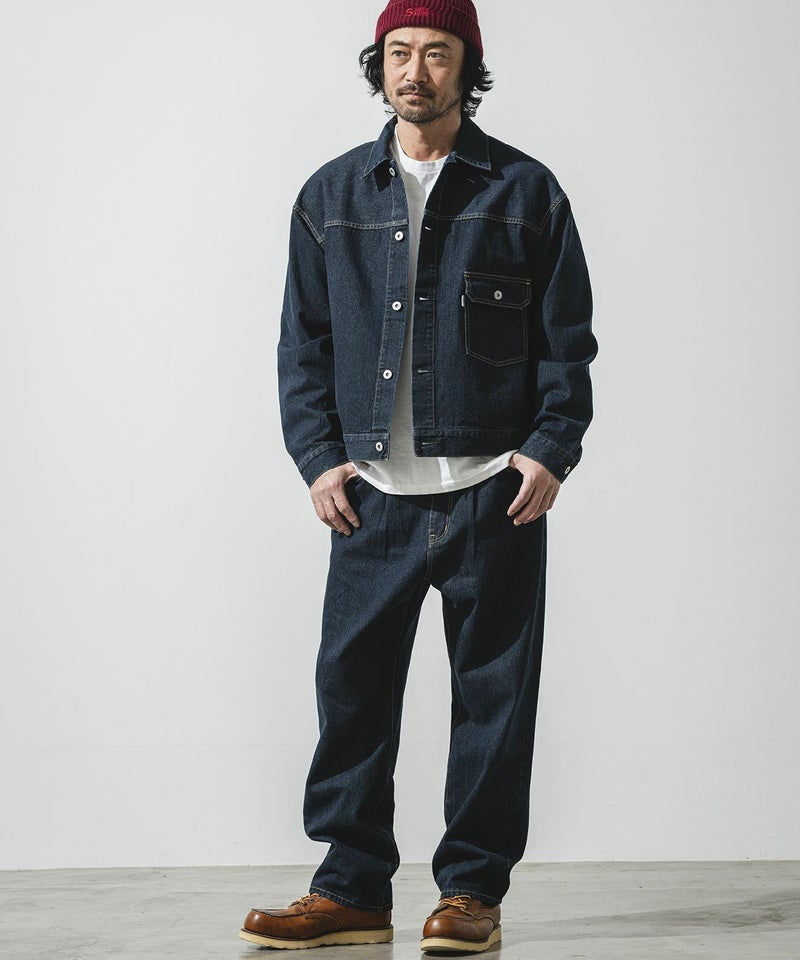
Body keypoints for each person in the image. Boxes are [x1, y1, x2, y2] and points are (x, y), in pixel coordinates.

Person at [239, 0, 597, 952]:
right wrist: (319, 459)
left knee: (494, 700)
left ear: (465, 67)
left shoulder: (526, 192)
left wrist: (549, 449)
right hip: (372, 498)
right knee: (352, 693)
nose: (415, 71)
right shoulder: (330, 196)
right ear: (379, 63)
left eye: (437, 53)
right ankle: (351, 887)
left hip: (494, 493)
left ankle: (470, 893)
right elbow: (302, 345)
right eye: (399, 51)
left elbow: (567, 342)